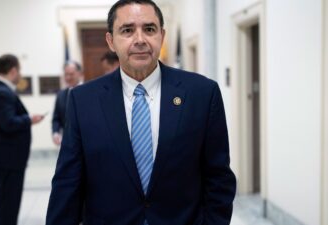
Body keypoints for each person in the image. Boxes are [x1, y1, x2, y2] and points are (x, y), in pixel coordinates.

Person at [46, 0, 236, 224]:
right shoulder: (83, 100)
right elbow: (68, 182)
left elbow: (218, 177)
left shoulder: (202, 94)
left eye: (149, 29)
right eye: (127, 30)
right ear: (111, 41)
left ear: (161, 36)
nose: (140, 39)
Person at [0, 54, 44, 225]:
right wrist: (29, 119)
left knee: (7, 199)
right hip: (8, 157)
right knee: (9, 201)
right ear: (13, 70)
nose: (20, 74)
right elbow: (8, 123)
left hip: (6, 156)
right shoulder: (1, 92)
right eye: (20, 70)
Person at [51, 61, 84, 145]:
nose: (68, 77)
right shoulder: (60, 95)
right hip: (67, 142)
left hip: (87, 142)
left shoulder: (90, 92)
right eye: (66, 74)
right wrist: (55, 133)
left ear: (79, 73)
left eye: (71, 74)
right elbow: (56, 118)